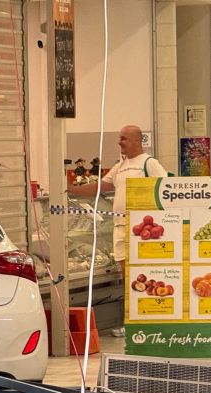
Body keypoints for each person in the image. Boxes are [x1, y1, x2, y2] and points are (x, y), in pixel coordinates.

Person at [68, 125, 167, 336]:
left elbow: (165, 190)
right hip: (120, 227)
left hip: (143, 230)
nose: (119, 142)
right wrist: (70, 190)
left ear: (137, 141)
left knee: (145, 273)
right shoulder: (120, 166)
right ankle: (132, 322)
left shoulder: (149, 164)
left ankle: (149, 320)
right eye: (119, 138)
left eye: (124, 138)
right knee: (128, 275)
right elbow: (100, 187)